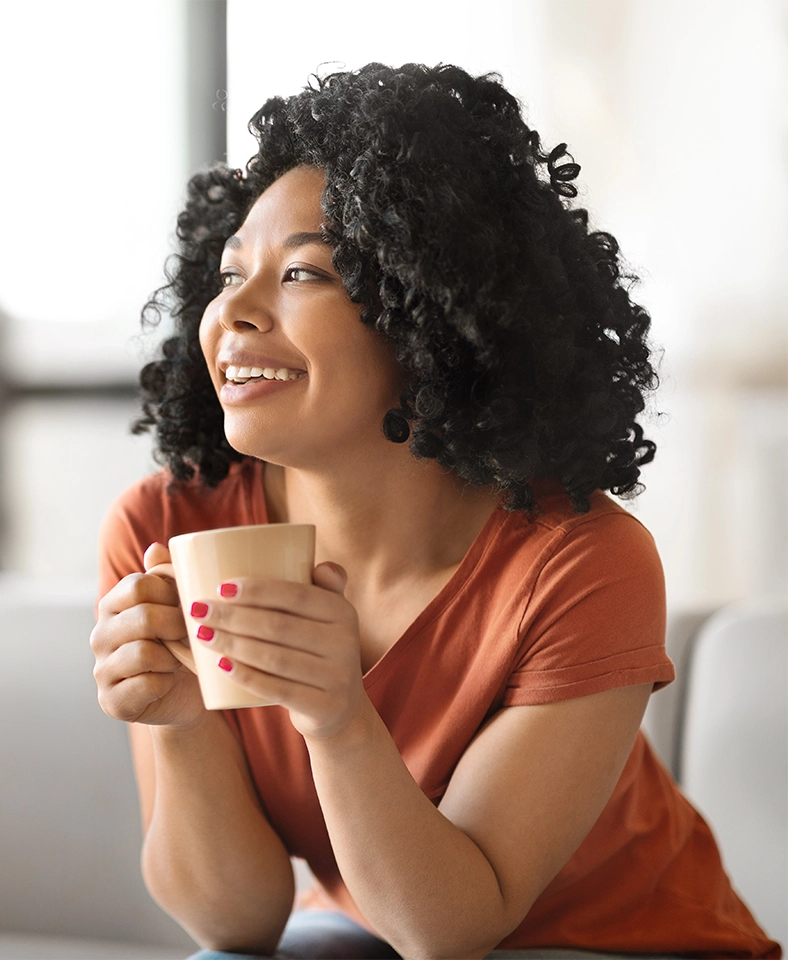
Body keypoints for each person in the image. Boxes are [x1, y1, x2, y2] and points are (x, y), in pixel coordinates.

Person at [91, 63, 780, 960]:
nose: (233, 316)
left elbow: (451, 927)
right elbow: (237, 923)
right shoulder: (166, 530)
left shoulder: (579, 562)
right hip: (373, 930)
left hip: (625, 945)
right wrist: (180, 724)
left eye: (302, 272)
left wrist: (337, 717)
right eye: (228, 276)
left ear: (431, 316)